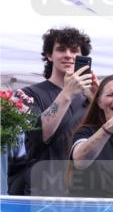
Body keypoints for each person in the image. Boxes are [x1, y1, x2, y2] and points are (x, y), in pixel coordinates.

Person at [9, 26, 98, 195]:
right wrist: (67, 93)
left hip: (86, 189)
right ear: (49, 55)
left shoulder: (88, 98)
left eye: (74, 50)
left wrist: (97, 101)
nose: (68, 55)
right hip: (44, 189)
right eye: (61, 49)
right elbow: (41, 134)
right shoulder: (28, 94)